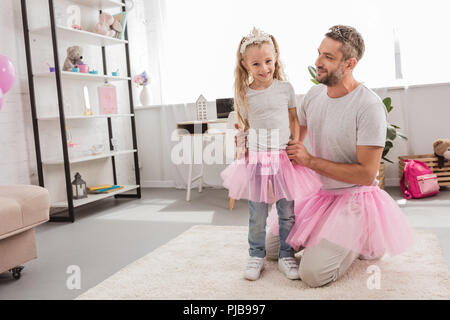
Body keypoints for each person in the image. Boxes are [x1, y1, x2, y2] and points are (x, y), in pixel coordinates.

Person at [266, 25, 415, 288]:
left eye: (328, 57)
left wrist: (310, 161)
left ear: (350, 63)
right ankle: (327, 239)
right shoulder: (313, 95)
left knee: (312, 275)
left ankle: (361, 237)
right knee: (271, 249)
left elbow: (366, 174)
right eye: (319, 53)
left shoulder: (368, 106)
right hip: (320, 195)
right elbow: (291, 142)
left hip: (354, 199)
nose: (318, 63)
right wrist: (254, 138)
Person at [221, 27, 321, 281]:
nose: (264, 68)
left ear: (275, 57)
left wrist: (295, 145)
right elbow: (245, 125)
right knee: (258, 212)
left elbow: (293, 119)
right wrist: (241, 145)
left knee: (287, 210)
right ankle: (256, 255)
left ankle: (287, 255)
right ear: (245, 65)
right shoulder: (245, 94)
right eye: (256, 63)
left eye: (268, 61)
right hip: (256, 159)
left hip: (282, 157)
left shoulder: (285, 88)